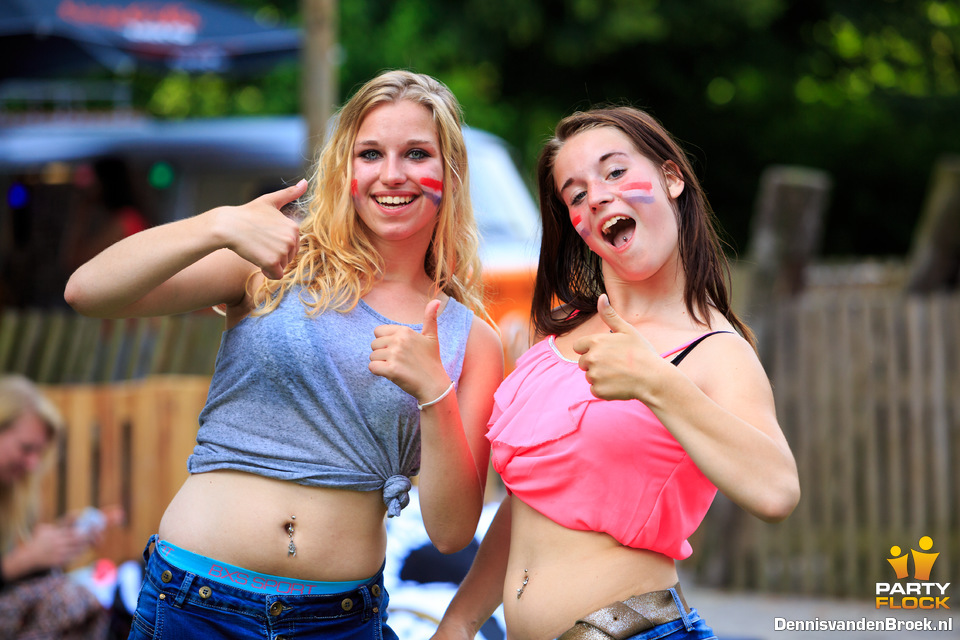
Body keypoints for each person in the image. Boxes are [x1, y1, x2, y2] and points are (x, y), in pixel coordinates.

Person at [64, 69, 503, 640]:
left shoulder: (472, 339)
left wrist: (435, 392)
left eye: (416, 153)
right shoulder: (278, 263)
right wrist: (218, 225)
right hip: (195, 604)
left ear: (450, 173)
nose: (391, 174)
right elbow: (89, 293)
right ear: (345, 167)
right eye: (370, 153)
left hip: (338, 622)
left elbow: (450, 532)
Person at [432, 106, 801, 640]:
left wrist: (655, 382)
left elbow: (777, 493)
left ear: (671, 178)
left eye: (615, 171)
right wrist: (460, 622)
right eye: (576, 194)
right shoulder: (556, 339)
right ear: (577, 225)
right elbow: (531, 505)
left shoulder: (715, 349)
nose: (598, 196)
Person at [0, 374, 113, 639]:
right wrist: (19, 562)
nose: (33, 464)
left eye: (39, 453)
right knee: (66, 600)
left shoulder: (11, 495)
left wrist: (58, 543)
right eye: (26, 448)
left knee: (83, 601)